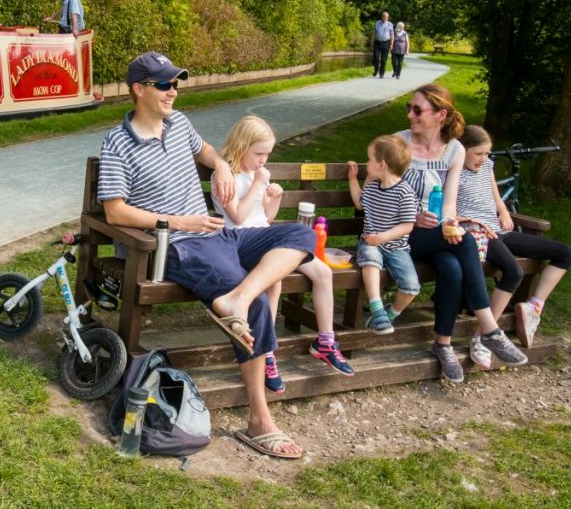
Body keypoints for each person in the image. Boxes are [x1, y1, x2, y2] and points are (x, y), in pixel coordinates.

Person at [98, 53, 324, 459]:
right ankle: (260, 421)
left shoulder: (179, 123)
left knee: (297, 235)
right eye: (165, 85)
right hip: (177, 244)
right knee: (256, 304)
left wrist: (220, 164)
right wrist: (180, 222)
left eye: (176, 84)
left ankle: (236, 298)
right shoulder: (118, 142)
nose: (174, 91)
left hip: (220, 235)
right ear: (138, 89)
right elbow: (115, 211)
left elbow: (205, 150)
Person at [211, 116, 355, 395]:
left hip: (268, 240)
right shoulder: (226, 174)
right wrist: (257, 184)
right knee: (274, 282)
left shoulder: (257, 173)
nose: (264, 160)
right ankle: (267, 353)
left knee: (323, 272)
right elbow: (238, 217)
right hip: (240, 243)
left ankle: (325, 341)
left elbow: (265, 216)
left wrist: (272, 198)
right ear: (242, 146)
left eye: (267, 154)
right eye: (259, 153)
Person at [398, 84, 527, 384]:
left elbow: (450, 201)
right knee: (467, 241)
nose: (410, 115)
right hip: (402, 231)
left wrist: (448, 223)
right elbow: (382, 193)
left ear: (440, 115)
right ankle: (489, 329)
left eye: (417, 110)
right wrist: (413, 216)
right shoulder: (399, 144)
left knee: (453, 266)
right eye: (409, 107)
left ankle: (443, 344)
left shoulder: (454, 149)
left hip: (435, 233)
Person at [456, 125, 571, 361]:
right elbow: (444, 210)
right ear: (462, 150)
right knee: (513, 272)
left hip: (500, 231)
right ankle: (482, 336)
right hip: (479, 235)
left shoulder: (487, 166)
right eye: (478, 153)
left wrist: (503, 212)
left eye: (487, 153)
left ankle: (534, 307)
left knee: (565, 253)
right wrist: (471, 222)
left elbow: (496, 196)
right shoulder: (451, 171)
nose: (484, 159)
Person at [347, 135, 421, 334]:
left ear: (382, 165)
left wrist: (383, 237)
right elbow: (360, 203)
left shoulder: (404, 192)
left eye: (370, 159)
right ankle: (377, 308)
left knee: (411, 287)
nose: (366, 163)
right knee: (369, 258)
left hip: (396, 248)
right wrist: (353, 179)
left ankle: (388, 316)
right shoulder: (373, 187)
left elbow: (407, 226)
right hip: (371, 243)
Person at [372, 11, 394, 79]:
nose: (385, 18)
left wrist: (391, 44)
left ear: (388, 17)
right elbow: (374, 32)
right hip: (377, 42)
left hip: (386, 43)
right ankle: (376, 70)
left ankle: (382, 74)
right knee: (376, 57)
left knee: (383, 60)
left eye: (386, 17)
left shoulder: (390, 24)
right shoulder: (377, 23)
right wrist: (372, 41)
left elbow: (392, 35)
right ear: (382, 17)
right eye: (384, 16)